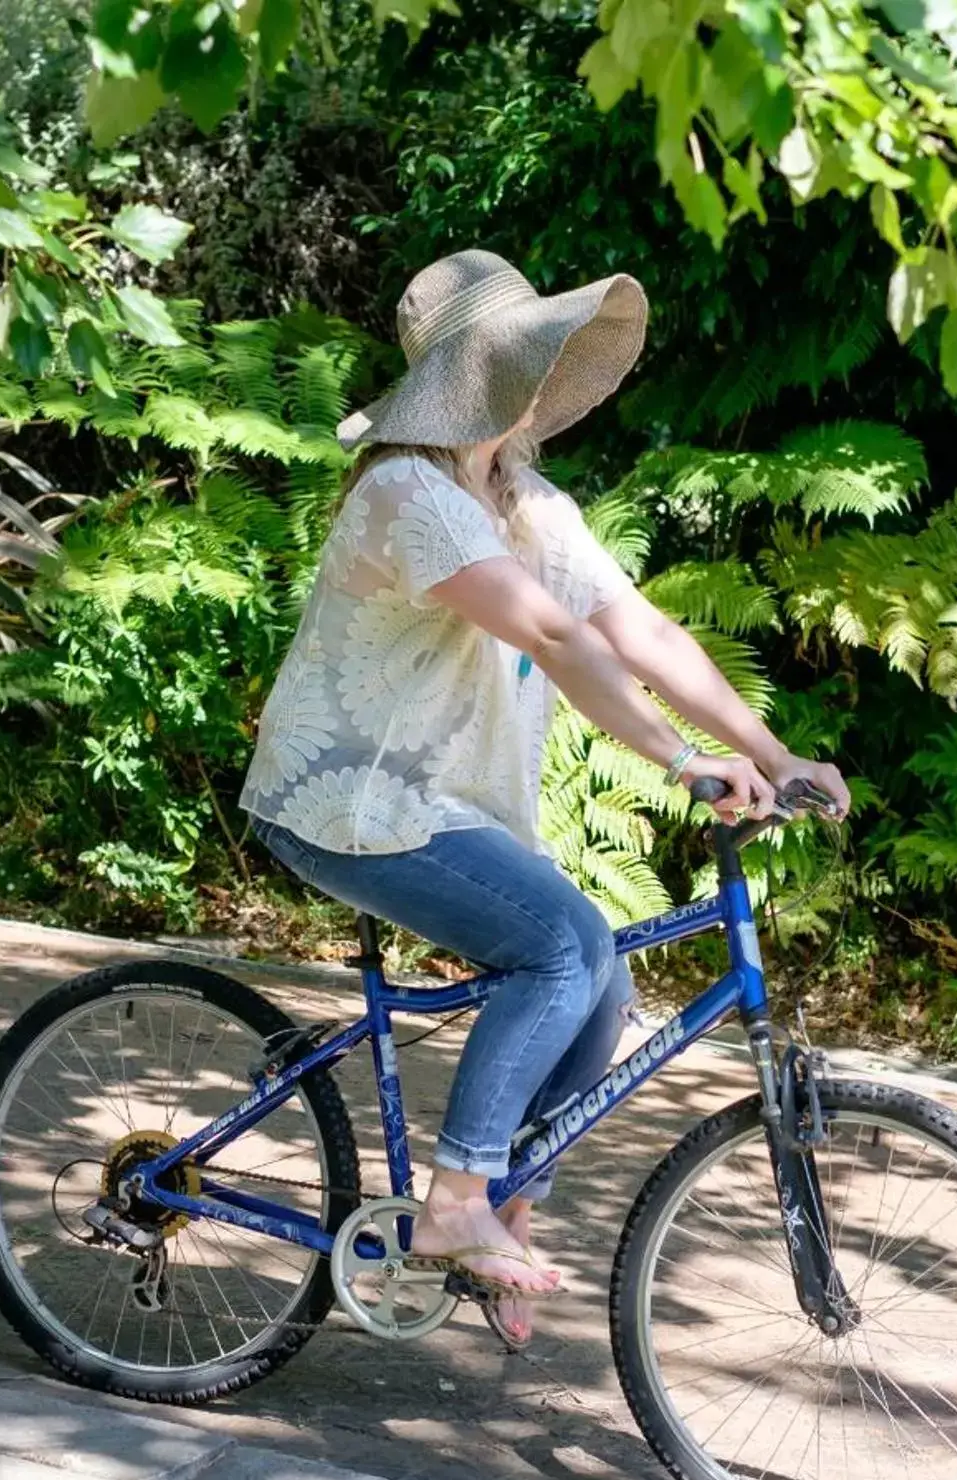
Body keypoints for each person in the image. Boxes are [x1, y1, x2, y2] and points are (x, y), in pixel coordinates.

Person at [241, 250, 850, 1346]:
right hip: (351, 800)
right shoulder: (405, 495)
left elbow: (639, 629)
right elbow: (555, 637)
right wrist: (678, 761)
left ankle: (508, 1206)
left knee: (602, 980)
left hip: (440, 803)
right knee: (561, 951)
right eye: (520, 359)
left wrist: (773, 749)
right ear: (475, 376)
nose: (537, 378)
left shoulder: (519, 497)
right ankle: (459, 1201)